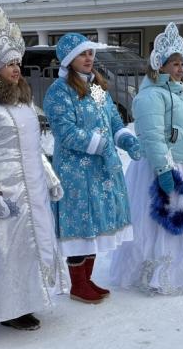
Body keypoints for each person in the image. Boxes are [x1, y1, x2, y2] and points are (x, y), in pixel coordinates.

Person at [0, 3, 69, 331]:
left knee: (35, 242)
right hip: (7, 188)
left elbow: (34, 148)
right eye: (9, 64)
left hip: (33, 187)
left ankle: (32, 298)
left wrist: (50, 177)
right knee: (10, 248)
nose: (16, 69)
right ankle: (10, 307)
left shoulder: (23, 102)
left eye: (18, 63)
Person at [108, 23, 183, 294]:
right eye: (173, 64)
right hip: (162, 167)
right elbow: (152, 135)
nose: (179, 69)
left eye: (181, 63)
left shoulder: (182, 95)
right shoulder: (151, 96)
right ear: (160, 66)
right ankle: (161, 273)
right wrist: (164, 169)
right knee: (165, 220)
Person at [42, 33, 142, 303]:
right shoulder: (58, 91)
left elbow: (113, 119)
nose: (89, 58)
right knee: (81, 223)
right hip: (76, 170)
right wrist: (102, 145)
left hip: (100, 169)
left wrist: (126, 139)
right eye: (83, 54)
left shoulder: (97, 87)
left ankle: (87, 279)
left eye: (90, 53)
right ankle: (78, 284)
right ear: (69, 58)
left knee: (96, 222)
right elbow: (66, 133)